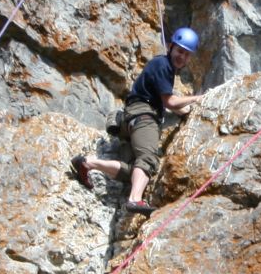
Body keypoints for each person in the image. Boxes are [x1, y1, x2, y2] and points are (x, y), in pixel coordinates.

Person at [72, 27, 205, 216]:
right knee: (148, 160)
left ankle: (89, 163)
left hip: (131, 119)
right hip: (143, 116)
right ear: (171, 47)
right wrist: (196, 99)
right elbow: (170, 101)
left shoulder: (163, 68)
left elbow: (171, 104)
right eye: (180, 51)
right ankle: (135, 200)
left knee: (133, 173)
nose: (182, 57)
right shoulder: (163, 65)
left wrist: (186, 111)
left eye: (186, 54)